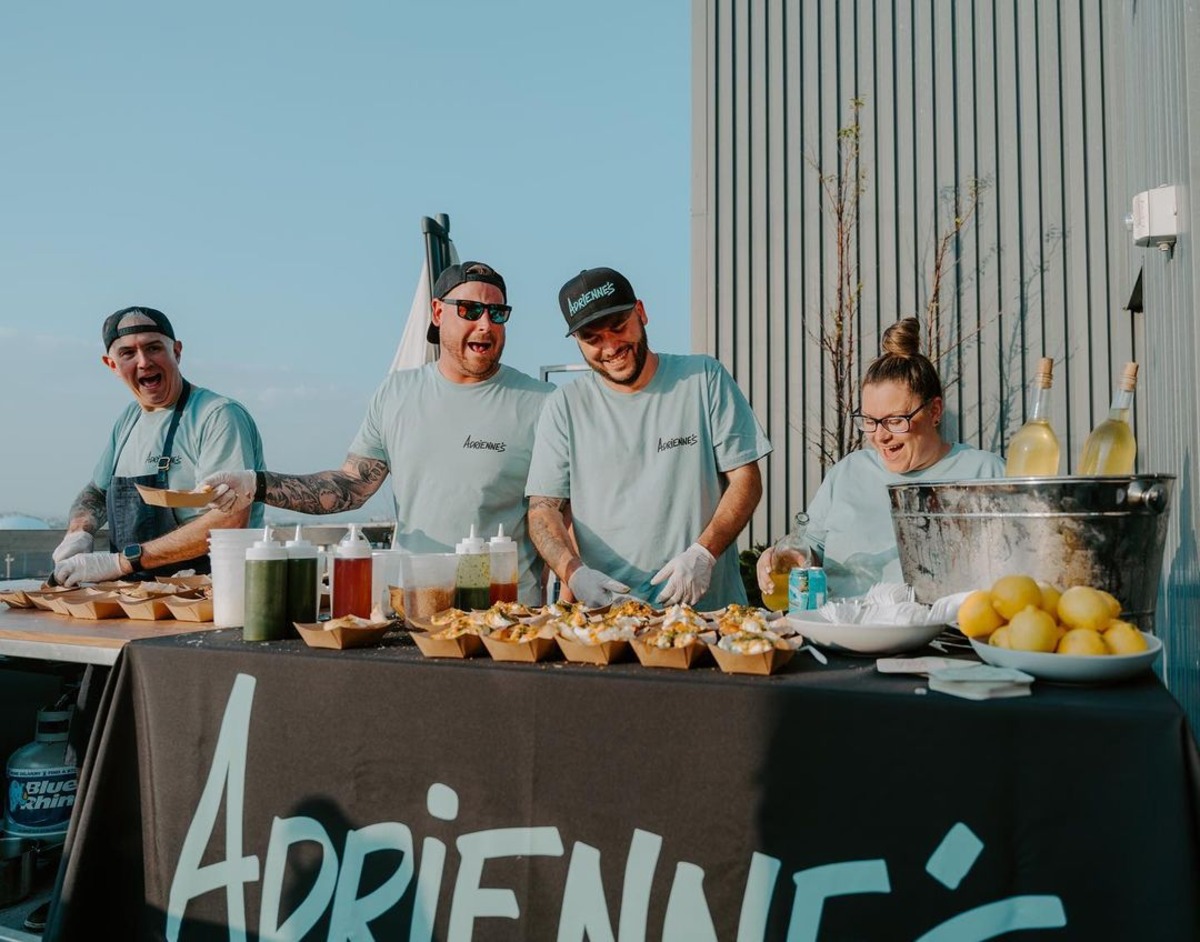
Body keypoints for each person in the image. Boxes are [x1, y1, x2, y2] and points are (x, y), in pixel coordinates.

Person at [203, 261, 554, 604]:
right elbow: (351, 487)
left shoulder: (543, 403)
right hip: (418, 607)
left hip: (506, 615)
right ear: (437, 312)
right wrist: (256, 485)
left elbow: (560, 514)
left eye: (497, 313)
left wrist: (572, 589)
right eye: (470, 309)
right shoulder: (396, 393)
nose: (484, 324)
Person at [525, 266, 771, 609]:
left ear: (640, 313)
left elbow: (746, 479)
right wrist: (574, 573)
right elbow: (542, 510)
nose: (609, 346)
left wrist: (704, 553)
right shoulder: (565, 406)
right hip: (610, 619)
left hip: (709, 615)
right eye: (592, 339)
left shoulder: (703, 378)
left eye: (617, 327)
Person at [756, 317, 1005, 599]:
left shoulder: (986, 472)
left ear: (935, 411)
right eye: (870, 421)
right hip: (842, 633)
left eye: (895, 420)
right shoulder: (848, 471)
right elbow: (811, 548)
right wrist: (783, 556)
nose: (880, 436)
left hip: (946, 638)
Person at [52, 306, 265, 586]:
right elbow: (96, 492)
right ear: (112, 364)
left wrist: (119, 562)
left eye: (154, 348)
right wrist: (80, 532)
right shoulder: (128, 420)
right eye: (127, 353)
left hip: (214, 592)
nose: (143, 362)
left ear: (176, 352)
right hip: (137, 595)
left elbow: (228, 523)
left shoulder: (218, 415)